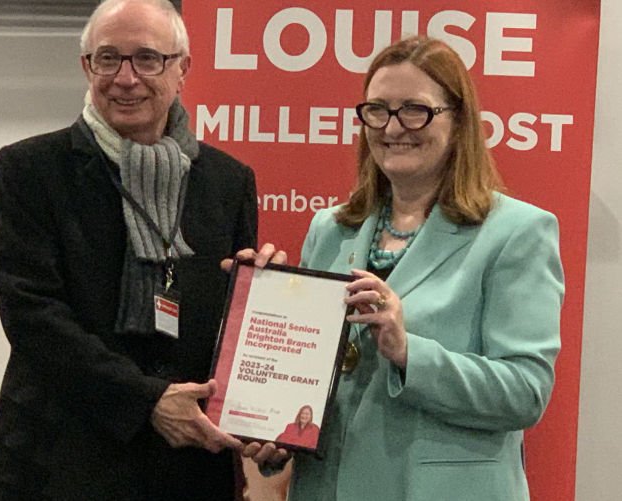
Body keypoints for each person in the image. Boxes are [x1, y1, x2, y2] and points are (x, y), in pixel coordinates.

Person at [241, 36, 564, 501]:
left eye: (415, 109)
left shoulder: (516, 232)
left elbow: (525, 392)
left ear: (459, 121)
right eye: (377, 109)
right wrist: (271, 425)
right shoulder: (330, 229)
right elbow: (311, 382)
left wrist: (408, 351)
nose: (393, 127)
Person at [0, 1, 259, 499]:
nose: (126, 78)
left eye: (148, 58)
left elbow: (232, 328)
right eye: (108, 58)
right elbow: (32, 316)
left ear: (182, 69)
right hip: (59, 461)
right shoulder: (31, 170)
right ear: (87, 68)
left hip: (187, 471)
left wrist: (260, 296)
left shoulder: (228, 182)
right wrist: (146, 400)